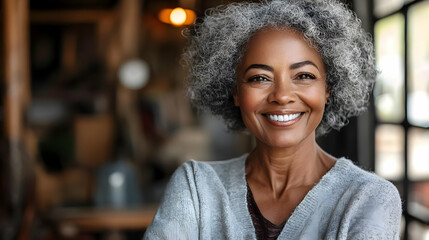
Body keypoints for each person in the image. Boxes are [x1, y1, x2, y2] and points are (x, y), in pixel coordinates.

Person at [144, 0, 402, 239]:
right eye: (259, 78)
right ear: (235, 91)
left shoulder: (367, 198)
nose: (282, 96)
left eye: (304, 76)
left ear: (328, 89)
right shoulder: (196, 188)